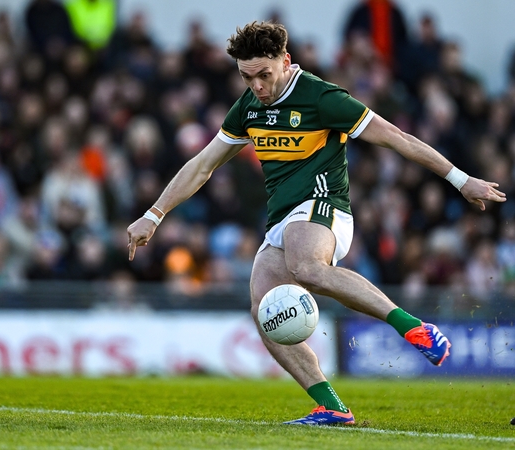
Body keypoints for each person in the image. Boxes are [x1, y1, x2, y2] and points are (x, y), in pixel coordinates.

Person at [126, 22, 506, 426]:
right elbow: (202, 165)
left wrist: (461, 180)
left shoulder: (321, 98)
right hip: (283, 218)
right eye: (246, 76)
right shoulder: (249, 108)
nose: (256, 85)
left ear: (285, 61)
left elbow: (397, 137)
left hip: (325, 206)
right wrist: (155, 214)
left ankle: (414, 327)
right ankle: (331, 406)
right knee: (265, 310)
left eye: (264, 74)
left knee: (307, 267)